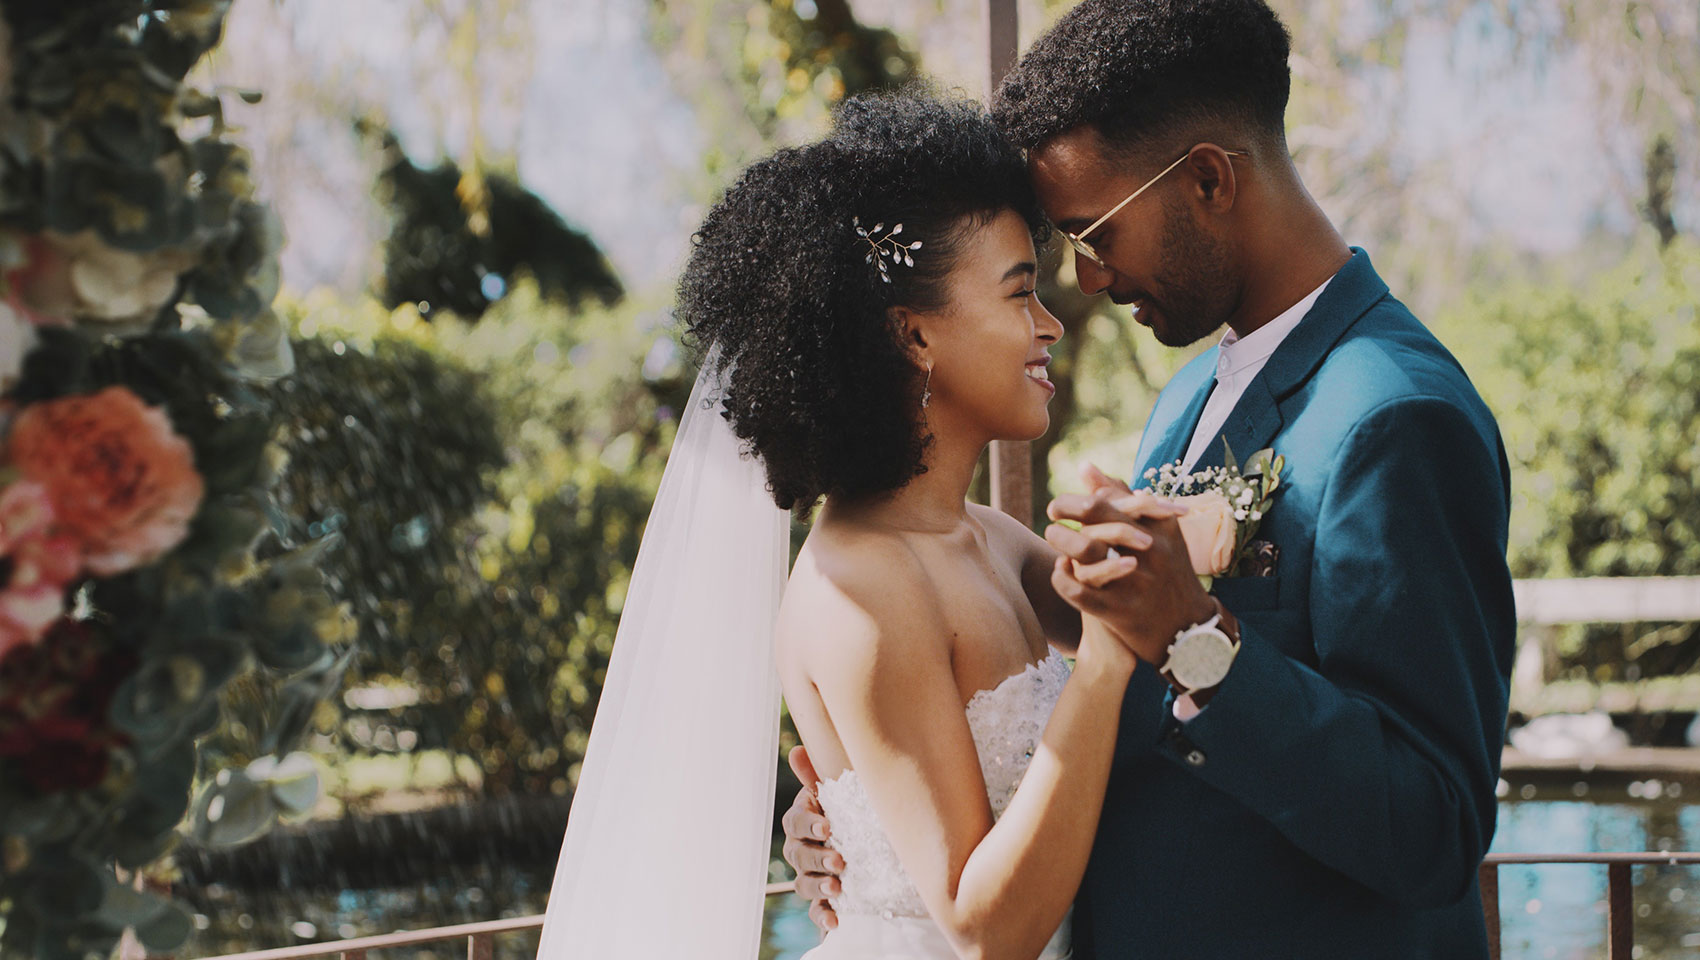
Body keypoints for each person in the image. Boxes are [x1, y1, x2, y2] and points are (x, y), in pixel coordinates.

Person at [782, 2, 1519, 957]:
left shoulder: (1395, 418)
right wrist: (865, 819)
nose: (1084, 283)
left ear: (1208, 178)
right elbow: (1112, 718)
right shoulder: (1184, 402)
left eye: (1095, 234)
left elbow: (1435, 831)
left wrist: (1195, 637)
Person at [538, 89, 1193, 960]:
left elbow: (1165, 638)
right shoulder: (857, 589)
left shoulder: (992, 540)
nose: (1048, 329)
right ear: (914, 337)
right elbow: (984, 927)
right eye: (1019, 294)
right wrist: (1100, 666)